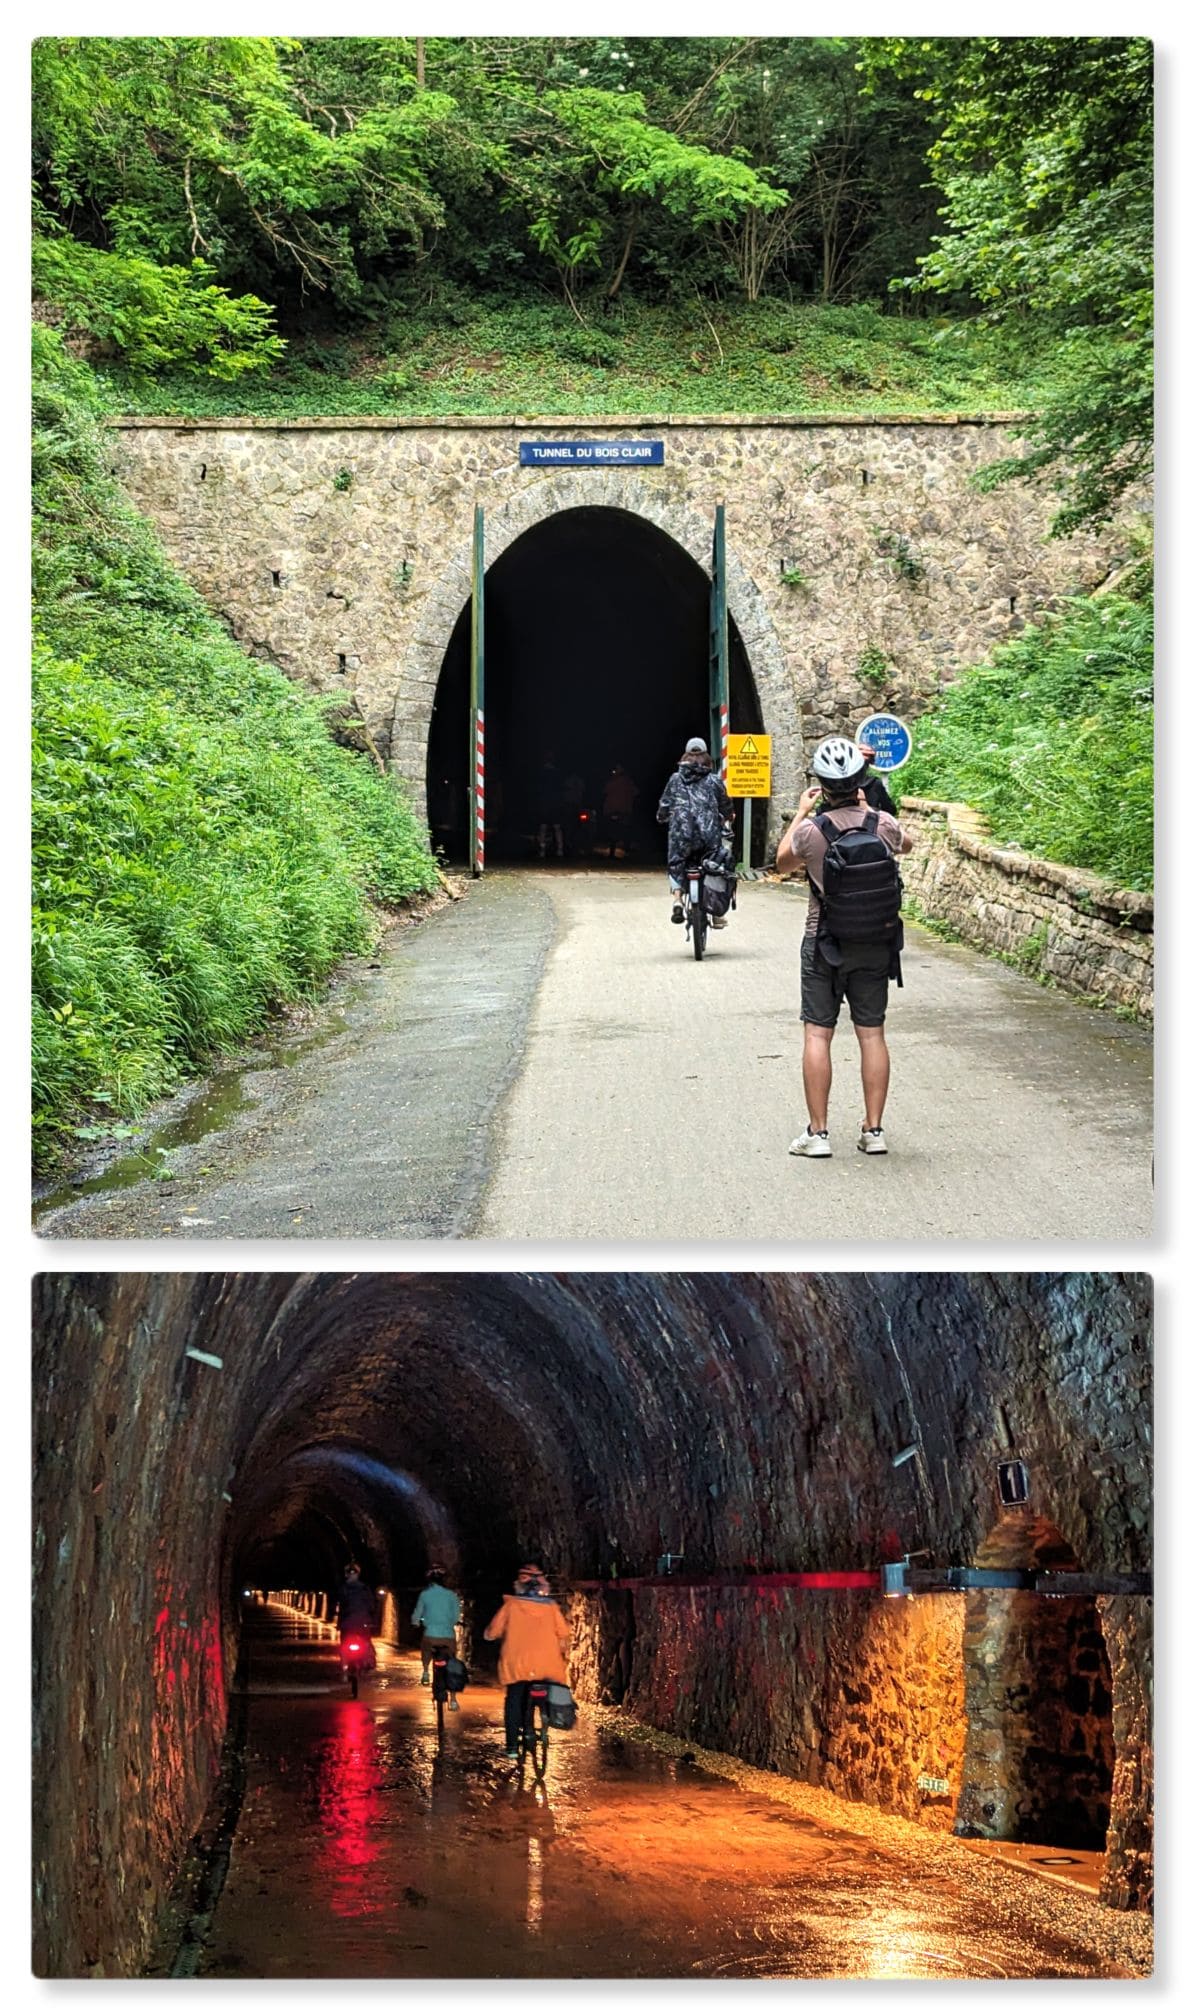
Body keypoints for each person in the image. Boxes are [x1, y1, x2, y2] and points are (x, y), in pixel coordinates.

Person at [776, 735, 912, 1157]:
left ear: (821, 784)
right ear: (860, 781)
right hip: (875, 942)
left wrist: (800, 812)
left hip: (824, 943)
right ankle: (874, 1131)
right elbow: (907, 844)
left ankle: (817, 1135)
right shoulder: (882, 825)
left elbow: (781, 862)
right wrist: (870, 809)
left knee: (818, 1033)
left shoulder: (813, 833)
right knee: (872, 1035)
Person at [483, 1563, 572, 1760]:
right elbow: (564, 1632)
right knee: (545, 1691)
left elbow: (493, 1631)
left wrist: (489, 1635)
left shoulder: (511, 1605)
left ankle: (512, 1746)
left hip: (517, 1666)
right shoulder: (551, 1608)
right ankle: (546, 1721)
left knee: (514, 1700)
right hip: (547, 1667)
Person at [656, 738, 734, 927]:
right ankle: (716, 912)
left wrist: (662, 817)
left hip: (681, 836)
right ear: (707, 758)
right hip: (709, 837)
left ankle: (677, 900)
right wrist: (728, 816)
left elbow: (665, 804)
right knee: (716, 865)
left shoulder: (675, 779)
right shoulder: (714, 780)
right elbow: (726, 805)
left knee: (676, 863)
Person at [411, 1566, 463, 1709]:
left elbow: (417, 1614)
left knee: (426, 1649)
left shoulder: (425, 1595)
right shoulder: (452, 1595)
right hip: (447, 1636)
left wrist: (416, 1622)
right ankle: (453, 1700)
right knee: (452, 1665)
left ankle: (426, 1671)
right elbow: (456, 1617)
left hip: (431, 1635)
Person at [334, 1562, 379, 1674]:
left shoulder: (343, 1589)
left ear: (346, 1575)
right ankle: (368, 1663)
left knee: (344, 1644)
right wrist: (372, 1621)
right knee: (366, 1641)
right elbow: (371, 1606)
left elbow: (340, 1606)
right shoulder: (364, 1588)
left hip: (347, 1624)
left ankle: (344, 1666)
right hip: (363, 1622)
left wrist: (339, 1624)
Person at [601, 764, 639, 858]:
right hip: (623, 810)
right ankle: (625, 849)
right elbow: (636, 792)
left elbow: (604, 791)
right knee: (625, 829)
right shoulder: (628, 781)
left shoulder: (613, 781)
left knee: (614, 830)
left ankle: (614, 851)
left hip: (614, 809)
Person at [535, 752, 565, 860]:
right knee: (557, 827)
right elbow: (561, 790)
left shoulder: (541, 773)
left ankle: (542, 850)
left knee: (543, 827)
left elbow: (538, 790)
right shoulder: (557, 774)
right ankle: (560, 850)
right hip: (555, 804)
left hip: (545, 804)